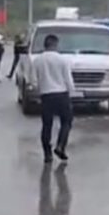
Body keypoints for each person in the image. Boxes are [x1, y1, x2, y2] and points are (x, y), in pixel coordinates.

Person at [31, 33, 75, 163]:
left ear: (45, 45)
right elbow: (68, 80)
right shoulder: (62, 60)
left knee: (46, 125)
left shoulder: (37, 60)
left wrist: (40, 90)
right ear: (55, 44)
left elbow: (33, 81)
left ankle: (47, 154)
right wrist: (71, 95)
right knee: (66, 121)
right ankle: (60, 146)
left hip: (46, 95)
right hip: (61, 94)